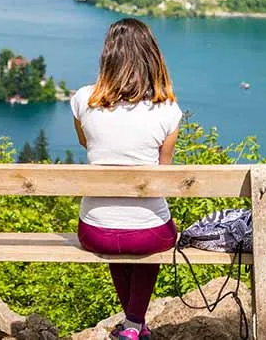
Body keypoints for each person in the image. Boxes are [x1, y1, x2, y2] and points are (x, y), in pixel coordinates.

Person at [71, 18, 183, 339]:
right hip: (148, 233)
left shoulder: (82, 100)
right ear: (152, 57)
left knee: (117, 228)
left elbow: (85, 142)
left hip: (95, 230)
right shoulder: (168, 110)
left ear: (107, 56)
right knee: (147, 232)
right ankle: (134, 325)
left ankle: (133, 326)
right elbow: (162, 169)